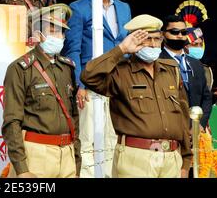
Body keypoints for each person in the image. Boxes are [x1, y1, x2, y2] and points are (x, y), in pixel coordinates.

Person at [82, 14, 192, 178]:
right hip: (136, 158)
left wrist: (186, 159)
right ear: (133, 40)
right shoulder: (120, 71)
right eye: (146, 39)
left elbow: (181, 117)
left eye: (157, 39)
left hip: (171, 159)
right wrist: (121, 50)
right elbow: (88, 76)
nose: (153, 44)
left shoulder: (171, 70)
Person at [61, 0, 131, 177]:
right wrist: (79, 84)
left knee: (115, 139)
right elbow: (72, 50)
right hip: (90, 85)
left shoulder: (124, 7)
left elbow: (127, 47)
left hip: (119, 84)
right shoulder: (79, 8)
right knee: (89, 140)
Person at [2, 4, 81, 178]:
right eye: (51, 30)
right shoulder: (20, 68)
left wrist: (76, 162)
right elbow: (11, 122)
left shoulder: (67, 68)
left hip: (66, 156)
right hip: (36, 156)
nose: (58, 36)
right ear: (38, 33)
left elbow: (74, 119)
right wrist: (22, 169)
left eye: (61, 31)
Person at [159, 15, 212, 128]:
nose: (179, 36)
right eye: (174, 32)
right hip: (168, 129)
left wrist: (200, 124)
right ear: (163, 34)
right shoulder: (156, 62)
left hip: (196, 130)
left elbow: (206, 97)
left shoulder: (196, 64)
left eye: (183, 33)